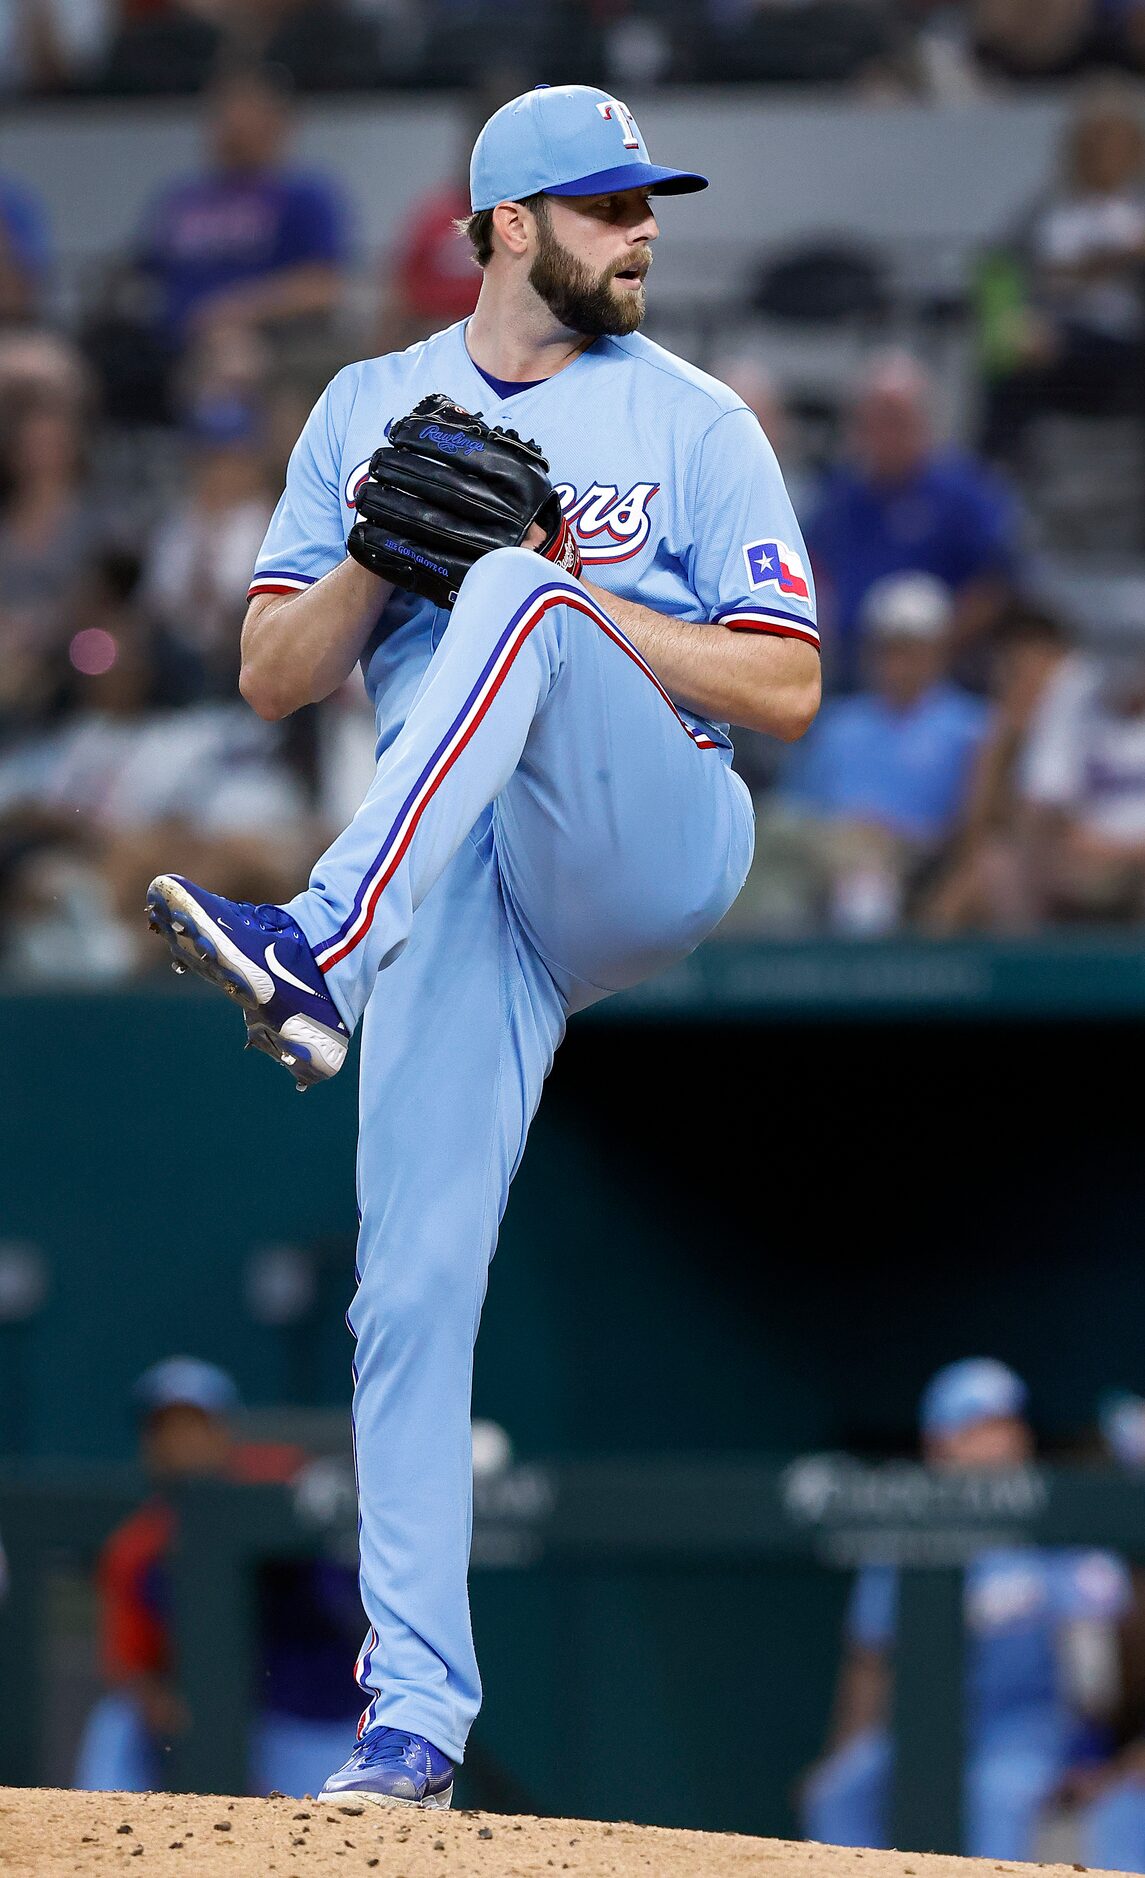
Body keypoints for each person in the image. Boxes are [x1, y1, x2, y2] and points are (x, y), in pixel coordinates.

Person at [144, 82, 820, 1808]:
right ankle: (416, 1727)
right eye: (606, 207)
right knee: (410, 1285)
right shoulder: (370, 404)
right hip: (465, 885)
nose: (642, 228)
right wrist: (372, 562)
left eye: (645, 202)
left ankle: (313, 942)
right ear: (506, 226)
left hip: (646, 827)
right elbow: (274, 677)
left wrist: (582, 598)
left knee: (522, 588)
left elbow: (787, 682)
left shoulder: (694, 417)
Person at [802, 1359, 1131, 1860]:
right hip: (926, 1726)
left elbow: (1104, 1653)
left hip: (1024, 1731)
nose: (1001, 1441)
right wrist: (843, 1748)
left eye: (1007, 1425)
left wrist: (1094, 1753)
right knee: (840, 1791)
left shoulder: (1054, 1520)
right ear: (940, 1441)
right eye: (981, 1427)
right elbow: (870, 1657)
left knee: (995, 1798)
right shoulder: (904, 1532)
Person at [73, 1356, 363, 1797]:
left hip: (308, 1716)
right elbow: (132, 1667)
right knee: (116, 1722)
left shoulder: (281, 1492)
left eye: (196, 1425)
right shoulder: (137, 1547)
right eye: (164, 1428)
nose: (180, 1442)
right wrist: (169, 1710)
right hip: (214, 1716)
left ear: (224, 1432)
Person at [744, 572, 987, 933]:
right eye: (887, 647)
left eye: (909, 648)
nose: (896, 661)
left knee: (865, 880)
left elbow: (973, 822)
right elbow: (796, 802)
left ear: (937, 651)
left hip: (915, 855)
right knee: (769, 847)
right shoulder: (839, 723)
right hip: (827, 842)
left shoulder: (970, 726)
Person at [805, 351, 1019, 690]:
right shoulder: (841, 494)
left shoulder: (963, 491)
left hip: (943, 674)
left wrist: (931, 649)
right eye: (873, 420)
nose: (883, 433)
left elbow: (997, 581)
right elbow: (812, 564)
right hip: (849, 668)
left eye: (896, 419)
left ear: (924, 421)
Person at [135, 64, 348, 357]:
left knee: (232, 355)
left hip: (262, 341)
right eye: (223, 111)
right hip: (169, 342)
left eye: (246, 111)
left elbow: (321, 288)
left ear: (277, 123)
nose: (232, 124)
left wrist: (236, 310)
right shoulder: (181, 198)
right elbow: (145, 272)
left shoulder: (304, 195)